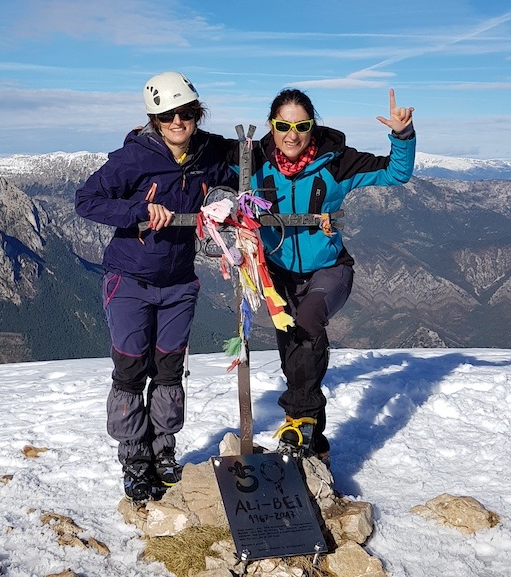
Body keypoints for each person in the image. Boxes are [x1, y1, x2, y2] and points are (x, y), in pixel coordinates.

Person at [75, 71, 231, 503]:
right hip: (129, 279)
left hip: (179, 282)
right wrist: (138, 209)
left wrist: (228, 202)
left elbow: (246, 168)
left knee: (168, 372)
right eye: (166, 115)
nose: (177, 122)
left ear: (196, 114)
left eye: (185, 113)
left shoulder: (210, 152)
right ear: (154, 119)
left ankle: (164, 452)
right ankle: (134, 458)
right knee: (129, 370)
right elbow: (86, 200)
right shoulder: (133, 159)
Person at [244, 87, 415, 463]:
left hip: (329, 269)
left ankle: (299, 421)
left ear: (312, 126)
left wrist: (402, 135)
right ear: (271, 127)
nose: (292, 134)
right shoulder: (250, 162)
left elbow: (395, 172)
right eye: (283, 125)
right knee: (293, 350)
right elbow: (195, 151)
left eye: (301, 125)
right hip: (278, 275)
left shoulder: (336, 162)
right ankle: (313, 440)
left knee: (306, 324)